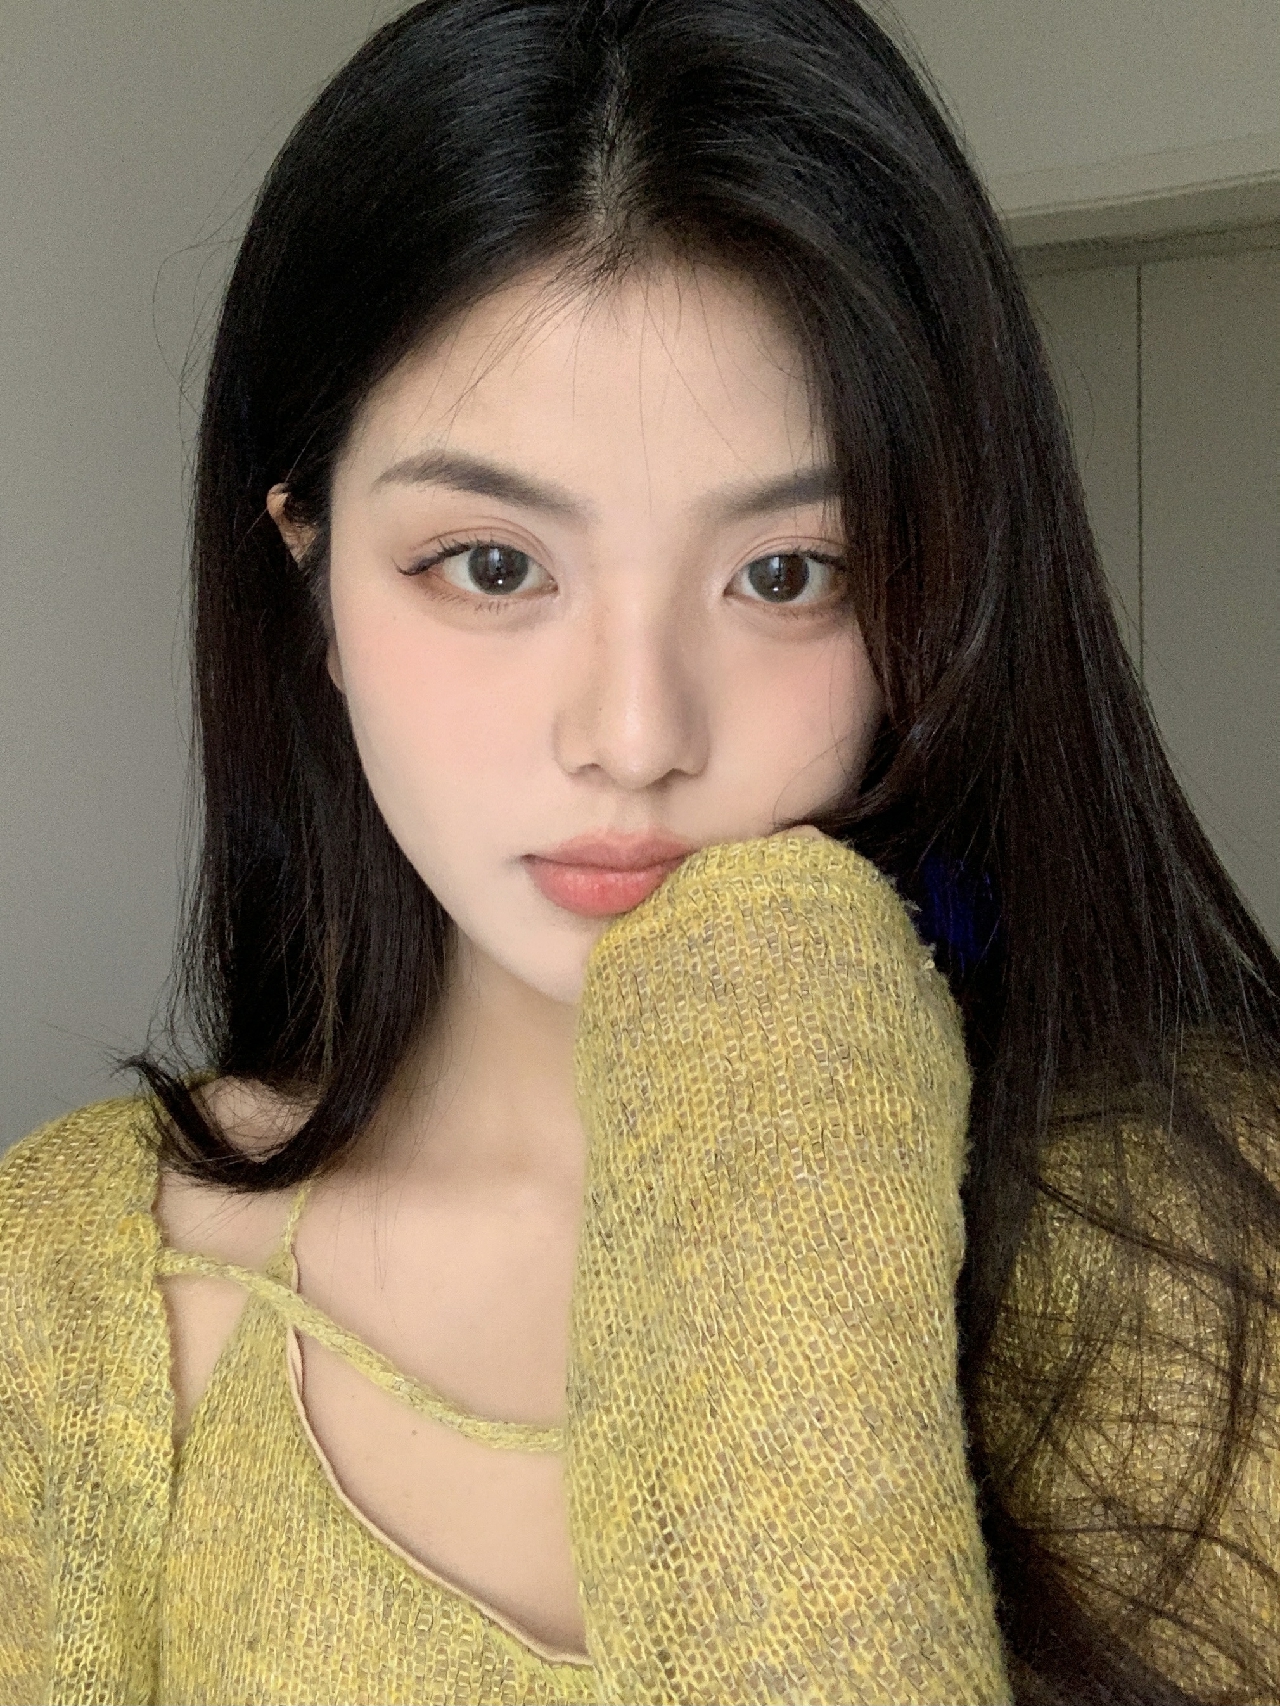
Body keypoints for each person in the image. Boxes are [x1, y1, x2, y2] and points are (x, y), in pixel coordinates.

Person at [2, 1, 1278, 1701]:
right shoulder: (71, 1280)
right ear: (309, 571)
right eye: (491, 564)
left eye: (786, 573)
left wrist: (781, 1054)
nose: (634, 733)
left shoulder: (1207, 1236)